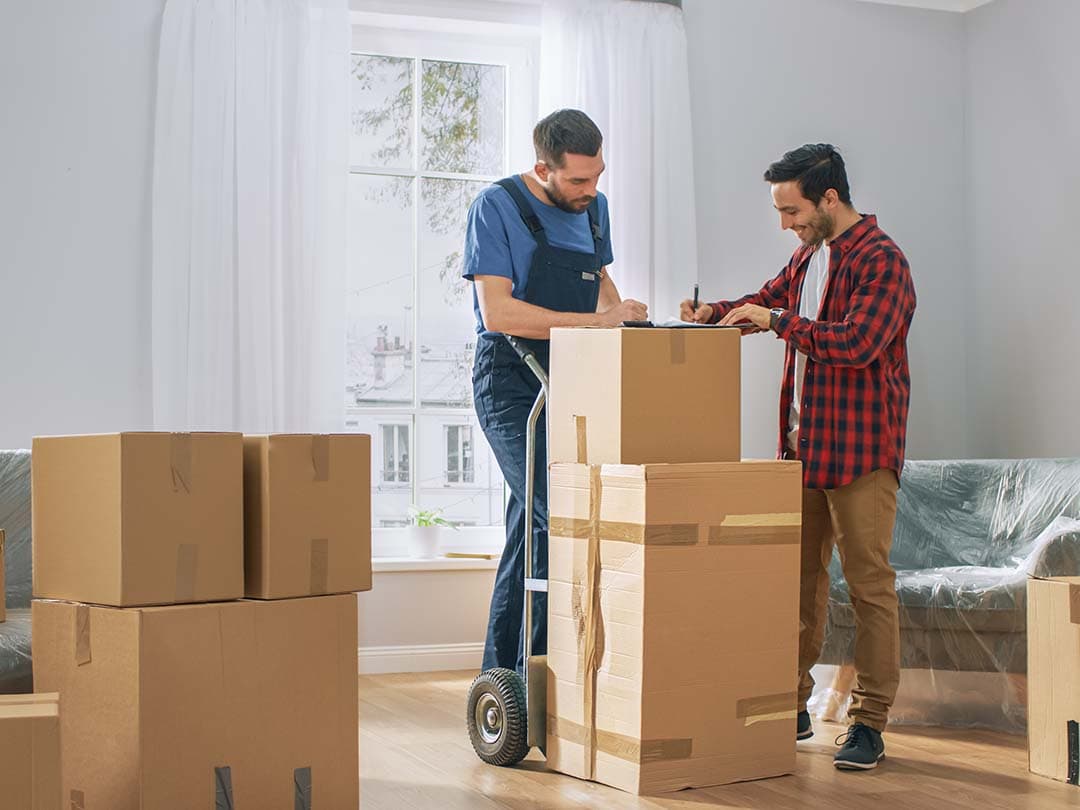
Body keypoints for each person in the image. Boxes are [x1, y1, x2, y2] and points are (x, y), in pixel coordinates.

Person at [681, 143, 916, 770]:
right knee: (798, 584)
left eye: (792, 210)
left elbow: (858, 343)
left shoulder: (883, 261)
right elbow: (765, 303)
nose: (786, 224)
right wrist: (716, 313)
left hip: (862, 452)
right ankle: (792, 706)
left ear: (829, 197)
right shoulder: (808, 258)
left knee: (869, 588)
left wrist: (778, 319)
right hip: (803, 451)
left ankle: (869, 723)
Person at [463, 108, 647, 673]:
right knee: (558, 507)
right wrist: (602, 322)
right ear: (542, 167)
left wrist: (627, 319)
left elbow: (598, 286)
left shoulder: (596, 208)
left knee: (533, 523)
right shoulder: (496, 207)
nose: (590, 190)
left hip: (572, 373)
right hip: (511, 379)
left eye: (598, 177)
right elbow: (498, 312)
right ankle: (551, 667)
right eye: (577, 181)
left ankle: (513, 676)